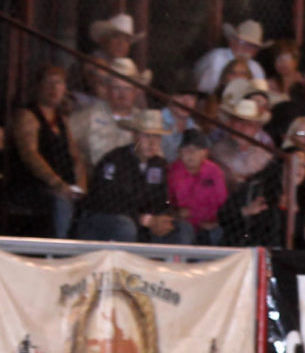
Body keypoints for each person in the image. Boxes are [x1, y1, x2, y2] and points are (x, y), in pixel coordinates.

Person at [78, 112, 189, 244]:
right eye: (147, 136)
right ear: (134, 136)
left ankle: (170, 264)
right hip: (102, 221)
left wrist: (165, 217)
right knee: (125, 226)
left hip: (141, 223)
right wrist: (145, 219)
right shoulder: (114, 160)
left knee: (182, 228)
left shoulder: (159, 165)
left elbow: (161, 200)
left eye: (157, 137)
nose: (152, 142)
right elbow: (106, 202)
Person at [5, 66, 87, 239]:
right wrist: (57, 184)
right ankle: (58, 251)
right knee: (60, 202)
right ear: (38, 87)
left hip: (64, 186)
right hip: (34, 186)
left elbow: (76, 158)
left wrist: (80, 186)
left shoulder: (63, 120)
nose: (54, 89)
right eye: (49, 83)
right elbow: (30, 154)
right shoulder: (27, 116)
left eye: (59, 83)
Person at [68, 62, 145, 169]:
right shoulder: (88, 117)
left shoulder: (145, 121)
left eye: (127, 88)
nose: (122, 94)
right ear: (107, 90)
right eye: (116, 88)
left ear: (136, 92)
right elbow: (66, 143)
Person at [168, 130, 229, 246]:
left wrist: (205, 219)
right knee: (184, 229)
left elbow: (222, 203)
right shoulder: (172, 172)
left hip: (211, 223)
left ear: (205, 153)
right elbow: (174, 206)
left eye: (196, 149)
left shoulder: (214, 171)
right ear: (179, 152)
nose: (191, 153)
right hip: (183, 225)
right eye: (186, 149)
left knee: (220, 231)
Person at [193, 19, 266, 95]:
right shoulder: (217, 58)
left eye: (252, 46)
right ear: (232, 42)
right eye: (243, 42)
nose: (247, 48)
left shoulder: (256, 68)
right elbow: (205, 92)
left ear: (256, 51)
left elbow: (260, 96)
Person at [261, 40, 302, 105]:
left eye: (286, 57)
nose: (282, 62)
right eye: (277, 58)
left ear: (296, 60)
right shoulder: (268, 84)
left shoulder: (304, 81)